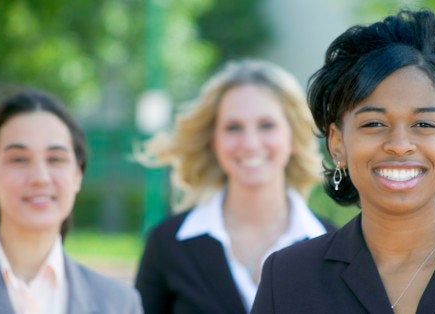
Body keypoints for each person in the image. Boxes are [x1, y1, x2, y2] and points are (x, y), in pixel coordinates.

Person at [251, 9, 435, 314]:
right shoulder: (289, 278)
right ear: (337, 143)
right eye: (373, 124)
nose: (399, 146)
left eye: (423, 124)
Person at [134, 59, 337, 314]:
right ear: (213, 140)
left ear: (293, 136)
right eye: (233, 128)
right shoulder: (167, 244)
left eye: (267, 125)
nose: (250, 143)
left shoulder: (333, 249)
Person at [0, 89, 143, 314]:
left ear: (78, 175)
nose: (40, 178)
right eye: (19, 159)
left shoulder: (119, 303)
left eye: (55, 159)